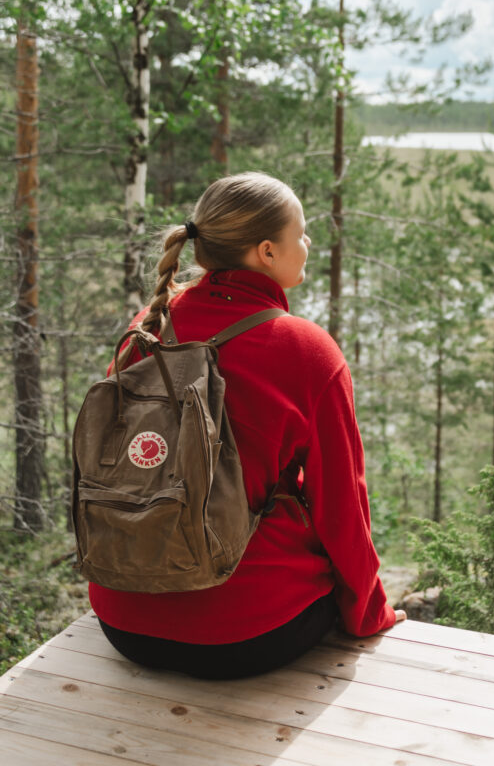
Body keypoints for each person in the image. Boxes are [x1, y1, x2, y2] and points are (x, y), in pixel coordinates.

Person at [90, 171, 405, 679]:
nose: (308, 243)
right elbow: (341, 504)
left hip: (123, 620)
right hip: (248, 634)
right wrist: (369, 615)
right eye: (300, 233)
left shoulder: (146, 326)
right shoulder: (306, 350)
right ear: (266, 252)